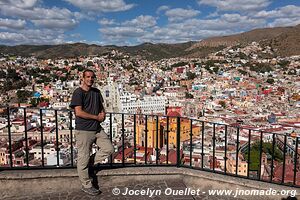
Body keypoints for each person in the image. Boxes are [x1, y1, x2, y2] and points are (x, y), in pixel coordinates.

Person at [70, 69, 114, 196]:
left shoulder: (96, 92)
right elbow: (78, 112)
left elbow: (101, 108)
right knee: (83, 157)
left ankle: (89, 164)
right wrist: (96, 117)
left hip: (97, 128)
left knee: (109, 148)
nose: (90, 79)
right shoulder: (78, 93)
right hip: (83, 130)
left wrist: (103, 115)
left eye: (92, 77)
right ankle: (86, 185)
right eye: (88, 77)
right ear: (82, 78)